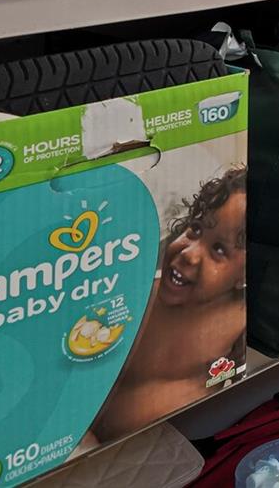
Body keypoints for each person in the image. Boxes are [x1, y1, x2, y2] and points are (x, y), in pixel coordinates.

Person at [93, 165, 248, 441]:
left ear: (243, 276)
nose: (189, 253)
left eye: (219, 249)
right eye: (196, 230)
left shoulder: (233, 331)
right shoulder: (145, 288)